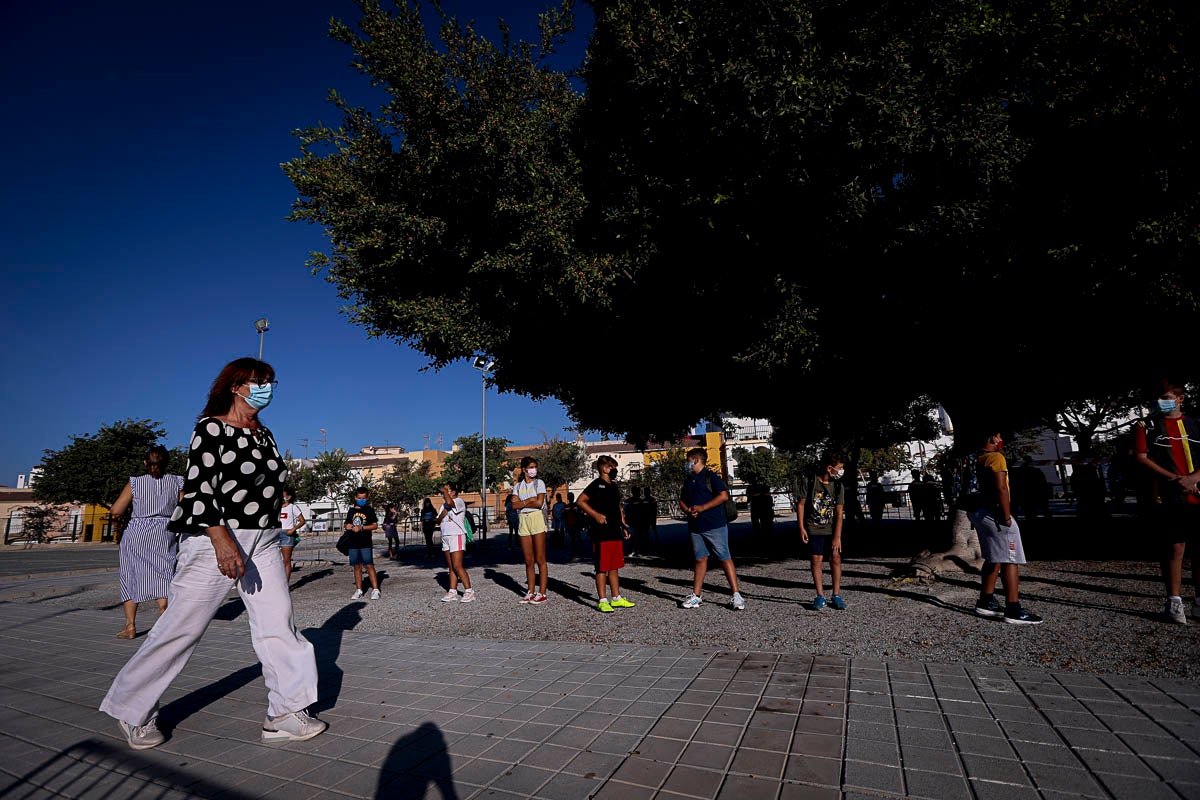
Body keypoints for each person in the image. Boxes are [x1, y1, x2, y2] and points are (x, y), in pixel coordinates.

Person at [100, 357, 326, 749]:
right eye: (259, 381)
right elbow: (201, 488)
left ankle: (285, 712)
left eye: (271, 382)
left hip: (265, 539)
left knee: (279, 624)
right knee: (182, 627)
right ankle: (130, 710)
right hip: (217, 536)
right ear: (235, 386)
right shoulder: (211, 429)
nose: (267, 388)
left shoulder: (264, 434)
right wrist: (222, 541)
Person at [1132, 379, 1200, 624]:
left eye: (1166, 396)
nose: (1161, 402)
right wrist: (1175, 479)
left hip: (1197, 494)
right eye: (1158, 398)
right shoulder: (1147, 426)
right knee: (1175, 548)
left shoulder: (1195, 424)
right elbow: (1141, 457)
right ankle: (1174, 600)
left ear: (1180, 398)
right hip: (1169, 496)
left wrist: (1193, 478)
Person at [108, 445, 184, 640]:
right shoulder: (177, 481)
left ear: (145, 463)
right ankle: (164, 609)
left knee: (131, 574)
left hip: (138, 531)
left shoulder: (134, 483)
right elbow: (186, 509)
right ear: (166, 463)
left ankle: (130, 626)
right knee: (165, 570)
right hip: (165, 530)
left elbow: (116, 510)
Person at [969, 430, 1044, 625]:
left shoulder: (977, 458)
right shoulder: (996, 457)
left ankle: (986, 600)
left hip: (978, 511)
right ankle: (1013, 607)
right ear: (992, 437)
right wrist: (1006, 516)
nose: (1001, 440)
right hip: (995, 513)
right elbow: (1001, 487)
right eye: (1000, 436)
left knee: (993, 557)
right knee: (1011, 559)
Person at [678, 448, 746, 610]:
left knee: (724, 557)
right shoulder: (689, 480)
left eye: (688, 460)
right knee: (700, 559)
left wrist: (702, 507)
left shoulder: (711, 477)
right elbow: (682, 500)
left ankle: (736, 595)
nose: (686, 464)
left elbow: (723, 496)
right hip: (696, 527)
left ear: (696, 460)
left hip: (715, 524)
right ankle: (696, 595)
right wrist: (688, 510)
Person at [578, 456, 635, 612]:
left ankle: (616, 597)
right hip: (600, 532)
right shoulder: (596, 485)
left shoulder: (613, 486)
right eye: (612, 467)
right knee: (602, 567)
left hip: (614, 531)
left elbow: (617, 507)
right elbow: (580, 501)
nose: (614, 470)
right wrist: (595, 515)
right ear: (604, 468)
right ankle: (602, 599)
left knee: (614, 565)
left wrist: (623, 525)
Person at [796, 452, 847, 610]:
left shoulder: (838, 485)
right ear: (829, 468)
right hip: (814, 527)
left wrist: (837, 536)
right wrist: (801, 527)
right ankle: (820, 595)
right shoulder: (810, 482)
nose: (841, 471)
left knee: (835, 558)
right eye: (839, 468)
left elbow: (839, 512)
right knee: (816, 559)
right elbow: (801, 505)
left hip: (831, 528)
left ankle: (836, 594)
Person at [510, 456, 549, 604]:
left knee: (540, 558)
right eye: (531, 467)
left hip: (537, 518)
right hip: (523, 520)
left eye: (535, 467)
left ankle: (542, 592)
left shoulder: (539, 483)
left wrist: (523, 502)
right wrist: (528, 500)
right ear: (524, 469)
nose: (533, 470)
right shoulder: (518, 486)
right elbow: (514, 505)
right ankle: (530, 591)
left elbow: (539, 503)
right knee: (528, 560)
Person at [436, 482, 474, 602]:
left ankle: (469, 591)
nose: (443, 493)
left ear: (453, 492)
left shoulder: (458, 501)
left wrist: (445, 492)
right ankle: (452, 590)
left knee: (458, 565)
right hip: (445, 536)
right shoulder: (443, 506)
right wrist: (442, 515)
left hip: (456, 535)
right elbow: (437, 520)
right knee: (451, 566)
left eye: (446, 491)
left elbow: (450, 503)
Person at [344, 487, 381, 600]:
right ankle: (359, 589)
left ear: (367, 498)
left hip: (365, 542)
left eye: (363, 498)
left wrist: (362, 528)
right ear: (355, 498)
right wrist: (348, 526)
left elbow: (375, 525)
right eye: (359, 498)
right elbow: (346, 523)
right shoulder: (351, 511)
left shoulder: (369, 510)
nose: (361, 500)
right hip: (353, 542)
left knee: (369, 565)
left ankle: (375, 589)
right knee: (356, 566)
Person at [279, 486, 306, 581]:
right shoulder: (276, 507)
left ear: (288, 496)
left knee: (286, 560)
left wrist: (293, 529)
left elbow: (302, 521)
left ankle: (285, 584)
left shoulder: (293, 507)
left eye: (283, 495)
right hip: (275, 534)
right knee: (276, 561)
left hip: (287, 534)